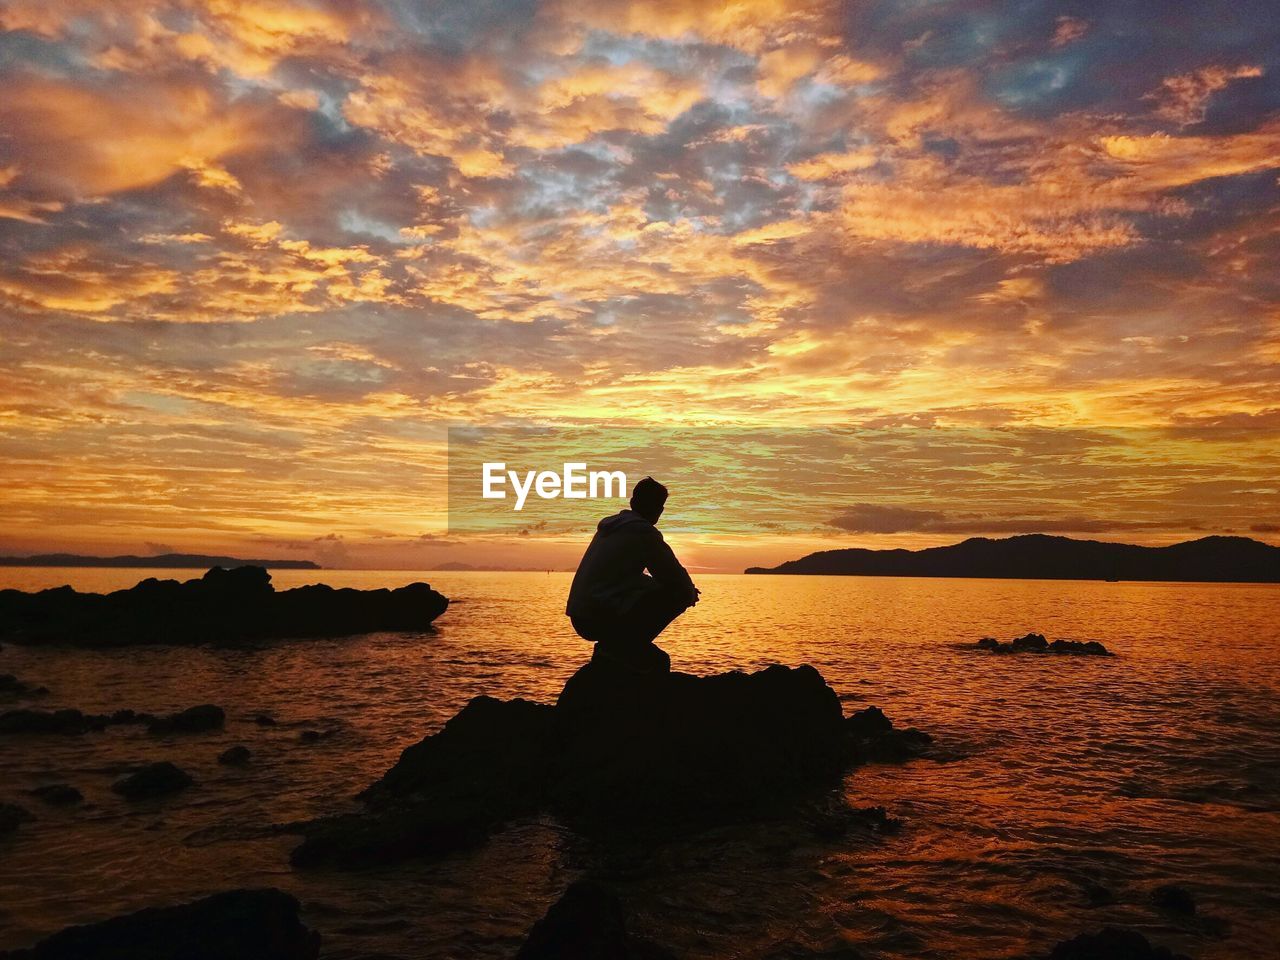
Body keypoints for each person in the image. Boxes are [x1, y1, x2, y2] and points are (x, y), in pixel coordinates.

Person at [566, 476, 699, 671]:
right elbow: (674, 577)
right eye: (659, 506)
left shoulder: (611, 528)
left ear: (632, 502)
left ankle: (617, 646)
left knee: (665, 589)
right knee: (680, 594)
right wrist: (690, 591)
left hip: (580, 615)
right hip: (597, 616)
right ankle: (626, 645)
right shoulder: (643, 532)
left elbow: (621, 576)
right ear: (658, 509)